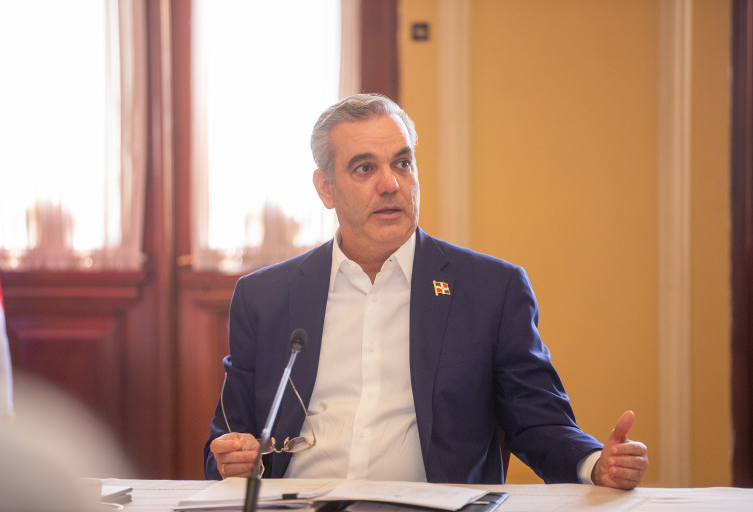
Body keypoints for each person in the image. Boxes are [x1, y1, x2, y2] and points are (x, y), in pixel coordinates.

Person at [204, 93, 648, 489]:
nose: (391, 184)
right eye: (365, 168)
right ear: (326, 189)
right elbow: (226, 438)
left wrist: (594, 464)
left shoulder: (490, 290)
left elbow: (538, 419)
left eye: (402, 163)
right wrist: (231, 457)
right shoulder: (264, 297)